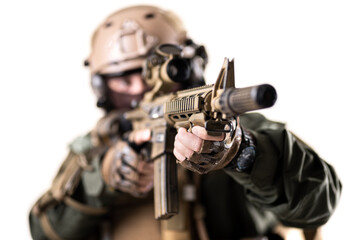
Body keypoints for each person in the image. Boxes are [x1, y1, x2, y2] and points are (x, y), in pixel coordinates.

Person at [29, 5, 341, 240]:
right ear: (102, 88)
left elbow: (320, 201)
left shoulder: (241, 129)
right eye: (124, 80)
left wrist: (242, 154)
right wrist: (102, 179)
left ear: (189, 68)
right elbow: (44, 230)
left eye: (151, 73)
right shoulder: (94, 149)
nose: (140, 89)